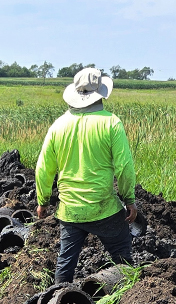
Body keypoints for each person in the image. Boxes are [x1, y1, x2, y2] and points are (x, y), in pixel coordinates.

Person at [34, 68, 137, 284]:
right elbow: (125, 167)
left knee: (66, 261)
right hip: (104, 207)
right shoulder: (111, 123)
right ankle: (126, 299)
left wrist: (42, 201)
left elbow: (43, 168)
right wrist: (129, 200)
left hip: (70, 209)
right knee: (123, 258)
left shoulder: (58, 126)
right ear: (100, 92)